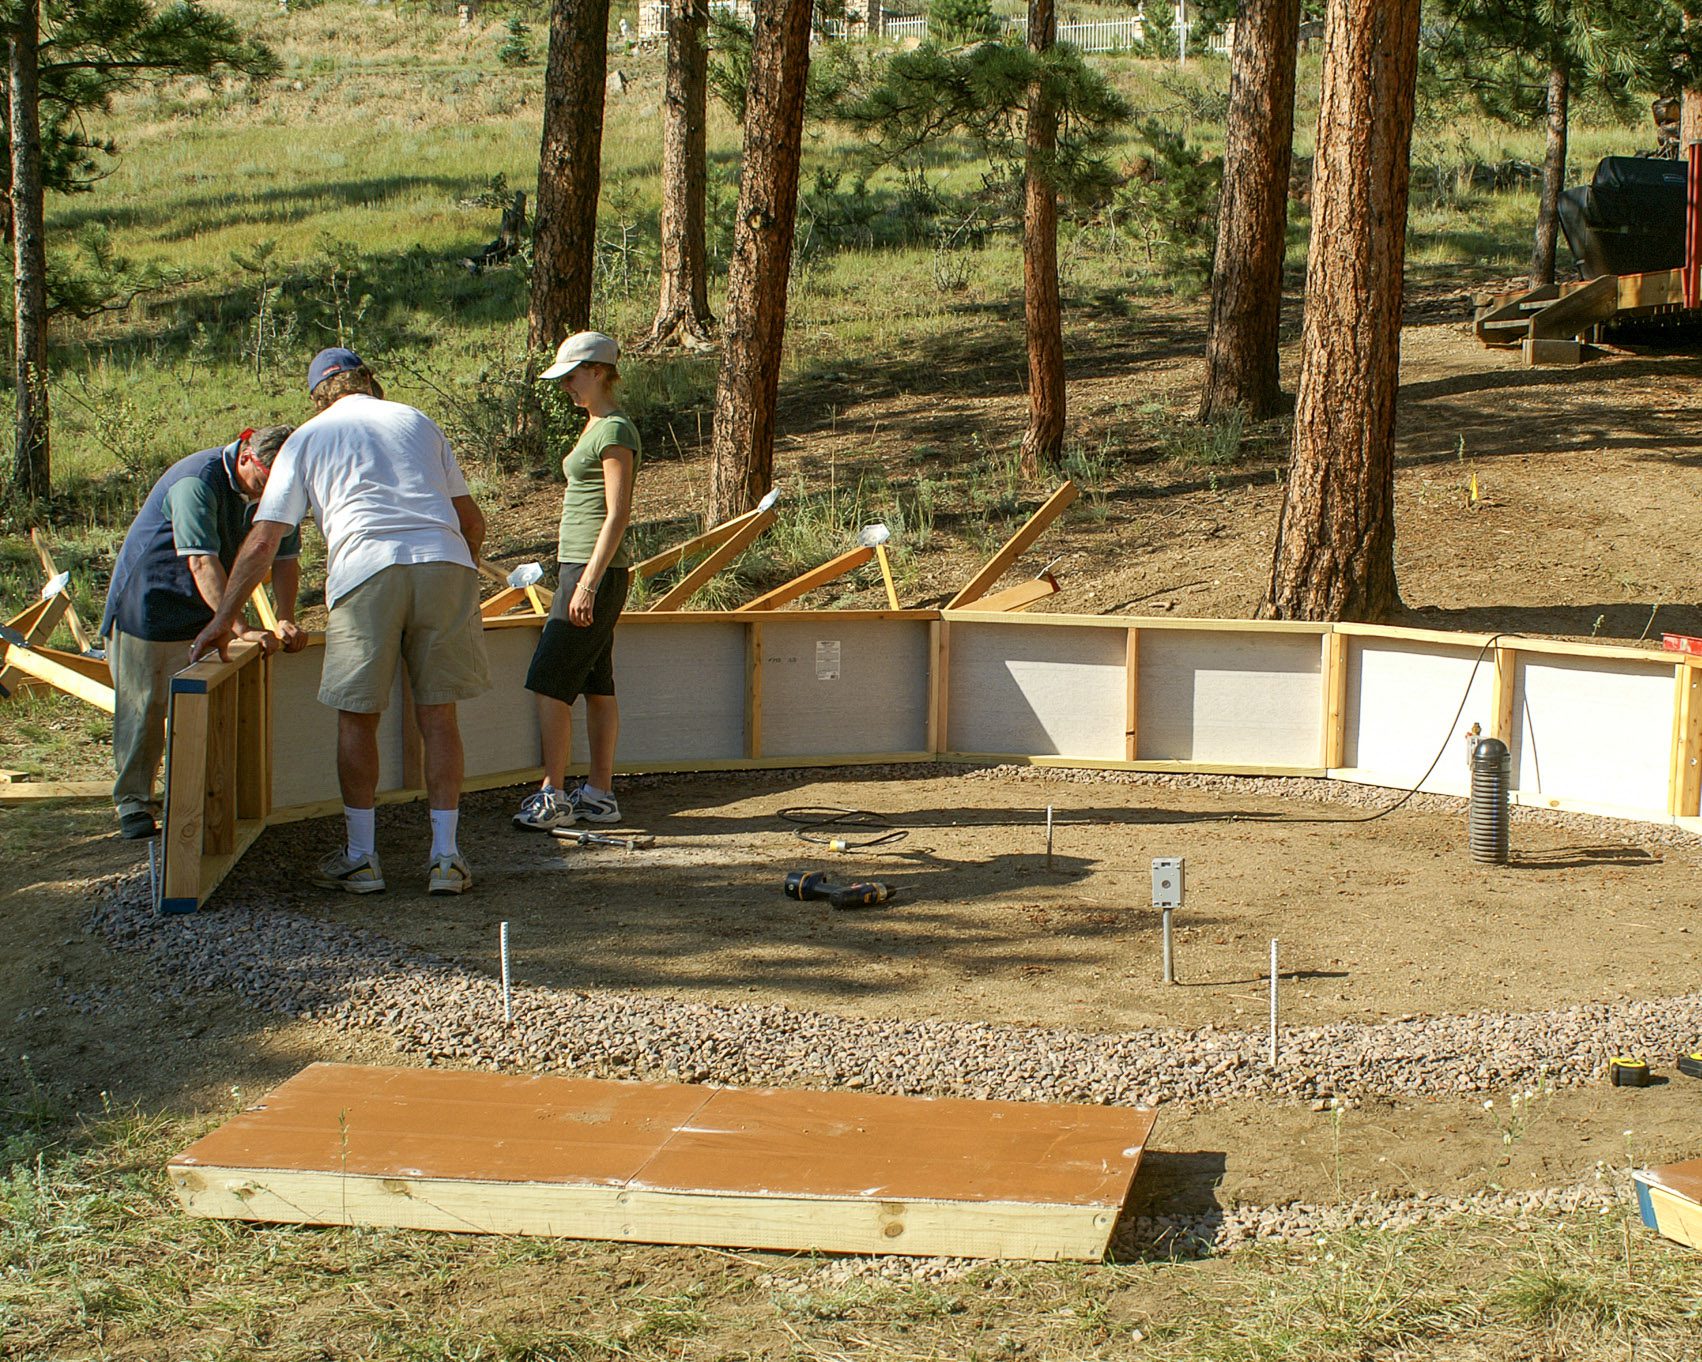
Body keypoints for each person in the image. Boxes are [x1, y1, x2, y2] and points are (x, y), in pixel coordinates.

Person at [190, 348, 490, 896]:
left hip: (366, 567)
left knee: (358, 716)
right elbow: (472, 520)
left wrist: (223, 619)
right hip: (444, 562)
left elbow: (264, 540)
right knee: (439, 715)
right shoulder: (417, 421)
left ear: (318, 394)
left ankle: (361, 858)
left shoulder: (307, 437)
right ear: (368, 383)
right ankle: (446, 859)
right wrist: (459, 577)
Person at [100, 426, 305, 840]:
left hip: (211, 609)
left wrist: (285, 616)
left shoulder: (282, 487)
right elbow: (201, 563)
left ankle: (193, 797)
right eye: (264, 483)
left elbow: (285, 558)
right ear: (247, 456)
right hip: (152, 603)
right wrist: (242, 626)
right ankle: (134, 801)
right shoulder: (197, 481)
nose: (271, 495)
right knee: (146, 708)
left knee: (207, 707)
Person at [513, 331, 640, 831]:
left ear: (597, 371)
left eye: (571, 376)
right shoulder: (595, 427)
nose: (565, 385)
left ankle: (554, 794)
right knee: (595, 681)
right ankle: (599, 795)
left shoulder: (614, 431)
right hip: (586, 568)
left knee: (549, 680)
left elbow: (618, 513)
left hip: (594, 570)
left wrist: (586, 583)